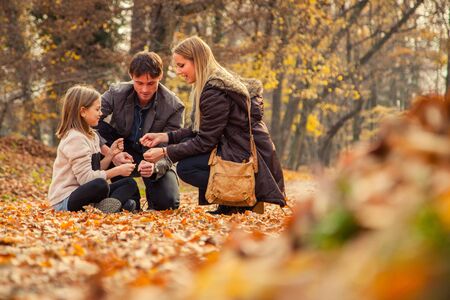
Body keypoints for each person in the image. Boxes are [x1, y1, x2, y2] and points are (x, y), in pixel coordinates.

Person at [140, 36, 286, 215]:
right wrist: (165, 137)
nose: (178, 71)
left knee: (187, 167)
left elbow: (205, 141)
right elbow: (200, 129)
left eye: (181, 65)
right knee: (189, 159)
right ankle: (232, 202)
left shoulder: (214, 91)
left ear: (197, 61)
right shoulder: (213, 84)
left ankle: (240, 199)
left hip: (240, 154)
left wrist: (165, 152)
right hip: (237, 148)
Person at [96, 51, 185, 211]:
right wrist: (111, 154)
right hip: (120, 151)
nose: (144, 89)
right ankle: (128, 200)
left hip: (153, 158)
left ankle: (138, 198)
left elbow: (172, 149)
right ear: (131, 76)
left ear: (160, 77)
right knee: (97, 126)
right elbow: (86, 122)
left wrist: (156, 166)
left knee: (168, 204)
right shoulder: (116, 93)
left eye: (151, 83)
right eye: (139, 83)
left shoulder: (174, 106)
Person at [48, 85, 139, 213]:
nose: (101, 113)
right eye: (97, 109)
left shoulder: (92, 135)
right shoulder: (75, 139)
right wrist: (117, 170)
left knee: (129, 183)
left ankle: (108, 207)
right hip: (66, 199)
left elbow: (95, 169)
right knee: (100, 185)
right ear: (83, 111)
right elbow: (87, 179)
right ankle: (114, 206)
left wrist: (110, 155)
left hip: (85, 193)